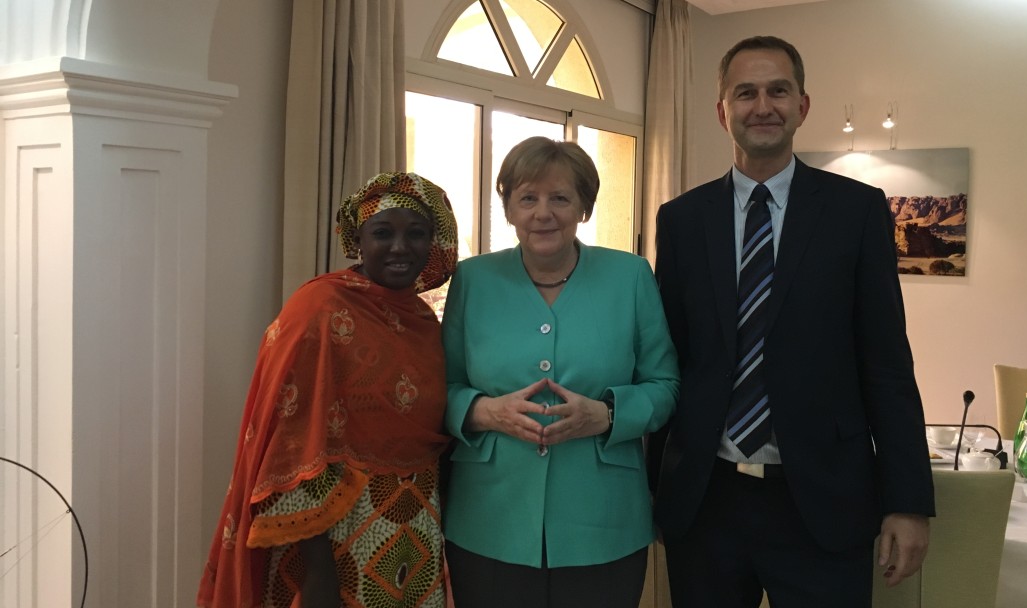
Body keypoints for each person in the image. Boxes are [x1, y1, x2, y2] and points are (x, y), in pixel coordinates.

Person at [649, 36, 934, 607]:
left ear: (802, 106)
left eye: (778, 91)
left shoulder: (856, 211)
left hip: (823, 505)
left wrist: (908, 500)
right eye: (745, 92)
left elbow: (886, 364)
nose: (762, 106)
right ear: (721, 110)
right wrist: (653, 486)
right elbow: (669, 361)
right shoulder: (681, 220)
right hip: (707, 505)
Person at [197, 172, 458, 608]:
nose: (400, 247)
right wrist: (318, 572)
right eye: (383, 232)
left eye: (416, 234)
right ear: (358, 239)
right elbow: (293, 442)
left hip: (417, 533)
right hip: (332, 537)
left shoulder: (424, 320)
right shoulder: (319, 309)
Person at [440, 136, 679, 608]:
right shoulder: (472, 279)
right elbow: (440, 387)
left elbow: (665, 385)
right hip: (490, 517)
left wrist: (608, 414)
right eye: (527, 198)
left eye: (560, 198)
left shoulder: (630, 276)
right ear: (508, 207)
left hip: (603, 519)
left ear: (584, 207)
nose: (542, 213)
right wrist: (485, 412)